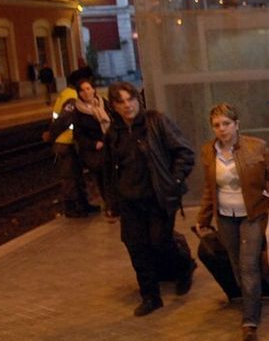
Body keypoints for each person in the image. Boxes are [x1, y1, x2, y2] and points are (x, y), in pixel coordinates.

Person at [194, 104, 269, 341]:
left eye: (226, 123)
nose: (222, 129)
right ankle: (256, 293)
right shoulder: (208, 152)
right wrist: (202, 218)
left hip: (252, 214)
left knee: (247, 265)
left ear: (237, 124)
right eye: (217, 125)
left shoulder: (256, 147)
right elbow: (209, 188)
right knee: (236, 264)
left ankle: (250, 321)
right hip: (224, 216)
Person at [105, 81, 196, 316]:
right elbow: (109, 170)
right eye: (121, 102)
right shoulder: (113, 133)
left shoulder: (156, 121)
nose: (127, 106)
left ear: (138, 99)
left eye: (130, 99)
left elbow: (185, 152)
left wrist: (173, 182)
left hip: (158, 197)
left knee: (159, 242)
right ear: (113, 106)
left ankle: (185, 265)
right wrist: (111, 202)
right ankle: (150, 296)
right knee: (136, 246)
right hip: (129, 201)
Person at [45, 70, 98, 218]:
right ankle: (72, 208)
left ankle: (82, 204)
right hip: (65, 142)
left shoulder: (66, 93)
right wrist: (52, 135)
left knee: (76, 175)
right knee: (70, 177)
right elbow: (63, 120)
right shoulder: (71, 97)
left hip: (66, 141)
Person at [71, 77, 114, 219]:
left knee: (114, 175)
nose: (86, 92)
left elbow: (113, 120)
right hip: (94, 151)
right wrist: (94, 144)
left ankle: (116, 204)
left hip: (110, 144)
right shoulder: (77, 111)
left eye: (88, 88)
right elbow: (78, 134)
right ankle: (110, 205)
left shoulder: (103, 103)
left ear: (94, 89)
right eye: (82, 90)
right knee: (103, 176)